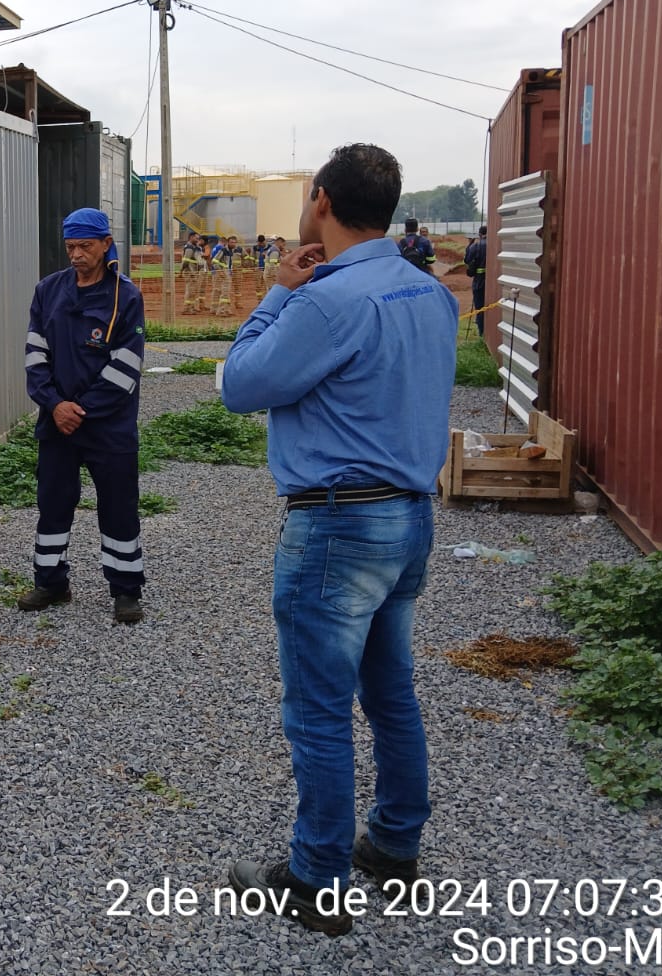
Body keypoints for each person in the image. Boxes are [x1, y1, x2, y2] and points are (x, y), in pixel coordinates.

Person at [220, 143, 457, 935]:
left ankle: (314, 879)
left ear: (319, 201)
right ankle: (394, 844)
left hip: (336, 524)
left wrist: (276, 296)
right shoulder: (431, 295)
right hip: (410, 519)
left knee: (318, 710)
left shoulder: (327, 300)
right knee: (390, 692)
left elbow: (239, 386)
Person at [20, 208, 147, 624]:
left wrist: (83, 409)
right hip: (56, 424)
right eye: (71, 246)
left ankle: (126, 590)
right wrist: (55, 405)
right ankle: (51, 582)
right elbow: (35, 356)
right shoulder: (48, 291)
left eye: (85, 246)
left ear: (106, 245)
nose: (76, 254)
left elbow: (126, 367)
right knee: (53, 504)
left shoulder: (125, 296)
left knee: (118, 506)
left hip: (108, 427)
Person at [464, 225, 488, 333]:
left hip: (479, 281)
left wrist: (470, 244)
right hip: (492, 282)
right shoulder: (494, 244)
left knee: (480, 308)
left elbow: (467, 260)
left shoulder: (475, 246)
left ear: (479, 234)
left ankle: (482, 332)